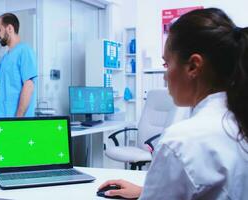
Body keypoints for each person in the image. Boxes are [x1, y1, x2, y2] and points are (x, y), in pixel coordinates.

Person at [99, 8, 248, 199]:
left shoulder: (181, 141)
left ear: (193, 66)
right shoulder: (238, 121)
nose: (165, 76)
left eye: (167, 64)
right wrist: (145, 192)